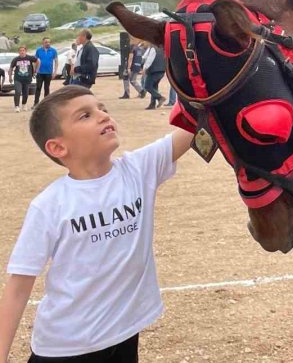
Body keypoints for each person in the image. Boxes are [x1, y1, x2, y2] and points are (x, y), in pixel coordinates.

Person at [0, 85, 194, 362]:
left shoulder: (138, 169)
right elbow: (19, 286)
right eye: (85, 115)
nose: (103, 116)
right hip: (67, 347)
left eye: (102, 108)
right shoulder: (50, 205)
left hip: (124, 333)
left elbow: (194, 125)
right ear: (58, 147)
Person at [8, 46, 38, 113]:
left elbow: (38, 61)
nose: (22, 52)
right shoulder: (16, 59)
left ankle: (24, 104)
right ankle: (17, 106)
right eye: (20, 50)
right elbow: (11, 68)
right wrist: (10, 77)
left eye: (23, 50)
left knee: (26, 93)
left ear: (25, 51)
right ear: (19, 52)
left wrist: (35, 70)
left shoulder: (30, 58)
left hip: (27, 78)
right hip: (18, 78)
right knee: (18, 91)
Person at [33, 38, 58, 106]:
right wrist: (34, 71)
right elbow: (35, 61)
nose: (48, 43)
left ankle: (46, 104)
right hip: (40, 72)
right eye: (46, 42)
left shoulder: (53, 51)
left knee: (47, 88)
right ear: (43, 43)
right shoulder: (38, 50)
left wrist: (55, 72)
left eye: (49, 42)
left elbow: (56, 61)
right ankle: (36, 103)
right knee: (38, 88)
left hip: (48, 73)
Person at [140, 45, 166, 110]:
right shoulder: (162, 48)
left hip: (153, 71)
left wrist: (144, 68)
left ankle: (160, 97)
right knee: (154, 87)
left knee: (147, 86)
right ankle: (152, 104)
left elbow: (149, 59)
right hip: (162, 70)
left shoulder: (152, 49)